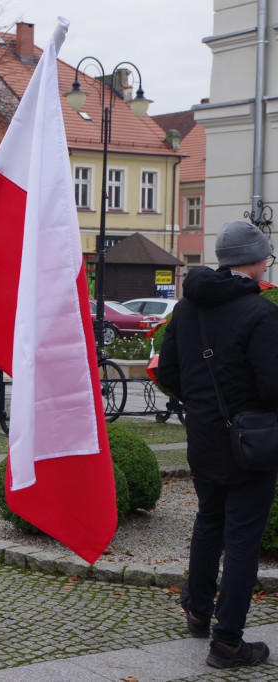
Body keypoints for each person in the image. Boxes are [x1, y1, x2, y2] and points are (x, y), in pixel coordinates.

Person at [158, 219, 278, 669]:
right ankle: (227, 641)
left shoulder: (187, 308)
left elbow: (167, 373)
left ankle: (197, 610)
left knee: (209, 521)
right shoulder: (261, 313)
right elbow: (272, 387)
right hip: (250, 444)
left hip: (204, 437)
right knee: (243, 539)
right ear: (256, 259)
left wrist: (204, 405)